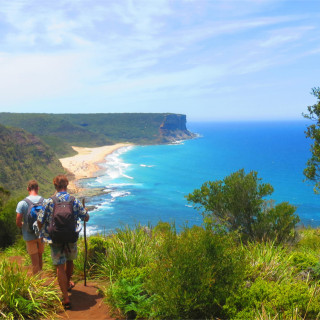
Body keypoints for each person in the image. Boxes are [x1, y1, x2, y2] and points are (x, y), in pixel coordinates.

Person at [38, 174, 89, 309]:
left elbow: (40, 220)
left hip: (54, 238)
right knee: (70, 260)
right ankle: (67, 283)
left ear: (55, 186)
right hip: (71, 237)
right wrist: (86, 212)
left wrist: (42, 232)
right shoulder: (74, 200)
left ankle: (65, 297)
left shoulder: (49, 201)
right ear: (66, 185)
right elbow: (86, 217)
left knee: (59, 266)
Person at [16, 180, 44, 274]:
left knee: (34, 259)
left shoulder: (22, 203)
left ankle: (37, 283)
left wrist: (23, 225)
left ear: (28, 189)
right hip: (41, 233)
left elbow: (18, 220)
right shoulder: (44, 201)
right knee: (40, 256)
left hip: (29, 235)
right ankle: (41, 279)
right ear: (38, 188)